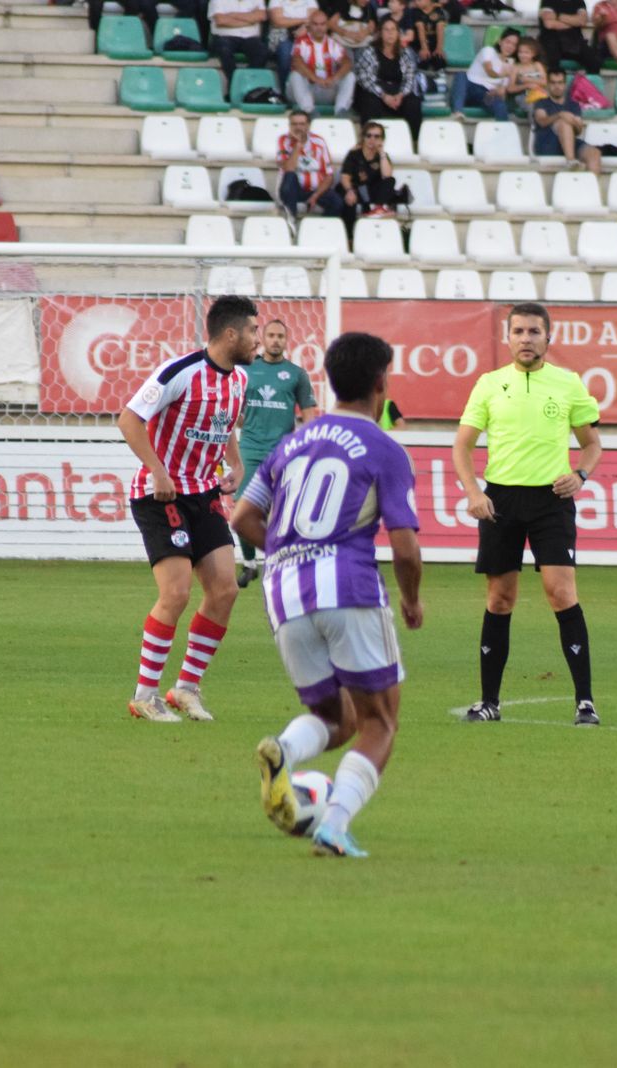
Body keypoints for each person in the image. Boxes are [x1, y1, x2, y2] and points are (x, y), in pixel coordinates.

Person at [235, 332, 423, 860]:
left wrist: (290, 551)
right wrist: (411, 601)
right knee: (378, 722)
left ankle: (285, 750)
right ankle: (335, 826)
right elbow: (406, 548)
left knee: (335, 718)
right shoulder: (385, 448)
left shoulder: (291, 443)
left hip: (283, 592)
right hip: (349, 587)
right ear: (381, 383)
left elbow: (243, 517)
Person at [453, 302, 604, 727]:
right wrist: (473, 491)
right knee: (499, 599)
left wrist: (581, 474)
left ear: (548, 337)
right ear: (508, 337)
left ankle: (585, 702)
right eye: (518, 331)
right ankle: (489, 702)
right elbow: (461, 446)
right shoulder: (489, 384)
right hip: (500, 501)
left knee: (561, 594)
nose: (525, 338)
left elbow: (592, 445)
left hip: (551, 501)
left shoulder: (568, 383)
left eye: (533, 331)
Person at [118, 294, 255, 723]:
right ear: (230, 334)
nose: (257, 339)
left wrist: (234, 461)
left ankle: (186, 689)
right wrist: (158, 470)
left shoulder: (239, 380)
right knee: (175, 593)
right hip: (161, 496)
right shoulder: (179, 372)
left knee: (225, 590)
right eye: (253, 331)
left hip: (205, 494)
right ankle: (145, 694)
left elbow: (223, 423)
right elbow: (128, 418)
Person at [233, 319, 318, 588]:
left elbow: (309, 415)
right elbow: (233, 408)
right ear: (263, 338)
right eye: (271, 335)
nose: (275, 340)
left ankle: (279, 560)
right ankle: (249, 563)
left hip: (282, 452)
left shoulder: (296, 374)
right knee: (242, 507)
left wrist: (305, 444)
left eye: (281, 335)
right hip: (249, 448)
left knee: (281, 511)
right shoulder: (246, 370)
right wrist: (248, 424)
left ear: (286, 339)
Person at [354, 17, 423, 137]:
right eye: (386, 30)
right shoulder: (369, 51)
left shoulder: (405, 52)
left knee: (413, 103)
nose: (390, 33)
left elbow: (409, 77)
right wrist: (384, 96)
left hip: (397, 92)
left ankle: (413, 141)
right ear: (380, 33)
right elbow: (365, 79)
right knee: (370, 102)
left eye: (393, 30)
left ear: (398, 33)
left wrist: (401, 95)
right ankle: (369, 138)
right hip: (375, 91)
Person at [277, 108, 344, 226]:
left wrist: (316, 195)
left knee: (338, 202)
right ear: (289, 125)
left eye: (302, 124)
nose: (298, 128)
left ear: (308, 125)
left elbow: (329, 176)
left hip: (315, 189)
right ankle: (291, 220)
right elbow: (288, 169)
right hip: (293, 189)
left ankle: (321, 228)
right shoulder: (284, 140)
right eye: (294, 124)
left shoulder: (319, 142)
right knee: (290, 177)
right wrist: (298, 146)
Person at [531, 68, 602, 174]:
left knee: (594, 153)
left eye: (560, 83)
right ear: (548, 85)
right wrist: (560, 115)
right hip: (547, 144)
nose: (557, 86)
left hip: (570, 142)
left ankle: (590, 188)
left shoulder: (573, 105)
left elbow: (578, 130)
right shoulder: (541, 103)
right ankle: (571, 161)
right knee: (563, 123)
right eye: (553, 83)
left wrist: (572, 121)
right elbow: (542, 121)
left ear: (564, 84)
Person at [288, 10, 356, 116]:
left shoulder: (332, 44)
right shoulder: (301, 42)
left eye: (322, 24)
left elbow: (347, 63)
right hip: (306, 90)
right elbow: (297, 62)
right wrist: (316, 79)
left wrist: (334, 78)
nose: (319, 28)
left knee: (350, 76)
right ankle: (309, 111)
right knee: (295, 75)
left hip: (326, 89)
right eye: (315, 24)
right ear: (309, 25)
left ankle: (341, 111)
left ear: (327, 25)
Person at [339, 120, 400, 234]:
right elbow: (345, 177)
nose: (372, 139)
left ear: (382, 139)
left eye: (377, 136)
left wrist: (381, 152)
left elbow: (387, 176)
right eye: (369, 136)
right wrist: (349, 190)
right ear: (363, 137)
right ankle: (349, 237)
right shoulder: (354, 154)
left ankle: (378, 208)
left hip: (372, 191)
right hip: (356, 189)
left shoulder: (382, 156)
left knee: (390, 181)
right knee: (349, 200)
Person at [451, 27, 518, 121]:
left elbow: (502, 93)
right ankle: (457, 112)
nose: (510, 47)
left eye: (514, 45)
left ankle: (504, 131)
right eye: (508, 42)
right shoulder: (489, 50)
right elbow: (489, 70)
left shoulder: (510, 65)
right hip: (469, 87)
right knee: (461, 75)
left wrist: (498, 91)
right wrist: (501, 74)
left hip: (485, 94)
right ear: (500, 41)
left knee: (500, 105)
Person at [209, 0, 270, 90]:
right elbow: (221, 20)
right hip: (225, 36)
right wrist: (250, 19)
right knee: (224, 50)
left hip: (250, 38)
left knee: (263, 52)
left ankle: (246, 80)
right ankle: (235, 83)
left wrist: (233, 15)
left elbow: (262, 16)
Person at [539, 0, 601, 75]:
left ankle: (587, 85)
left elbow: (582, 21)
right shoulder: (547, 1)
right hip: (551, 40)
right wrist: (573, 23)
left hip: (574, 41)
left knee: (594, 61)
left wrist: (558, 15)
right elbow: (549, 24)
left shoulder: (579, 2)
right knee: (551, 63)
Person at [269, 0, 319, 92]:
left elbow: (315, 18)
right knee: (286, 53)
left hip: (307, 33)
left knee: (315, 51)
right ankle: (284, 90)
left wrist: (305, 27)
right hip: (282, 35)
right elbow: (278, 21)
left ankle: (310, 91)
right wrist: (304, 20)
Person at [506, 37, 548, 117]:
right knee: (534, 107)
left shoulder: (537, 65)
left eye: (526, 52)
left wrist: (527, 79)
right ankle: (534, 128)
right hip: (524, 97)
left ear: (533, 54)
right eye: (520, 52)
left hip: (540, 94)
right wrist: (526, 86)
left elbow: (544, 82)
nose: (523, 55)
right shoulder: (516, 67)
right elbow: (510, 88)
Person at [402, 0, 448, 71]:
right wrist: (424, 48)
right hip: (419, 46)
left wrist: (439, 48)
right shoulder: (416, 12)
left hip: (434, 45)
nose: (417, 2)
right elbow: (421, 29)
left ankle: (440, 76)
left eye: (419, 0)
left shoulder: (438, 11)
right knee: (424, 59)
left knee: (440, 59)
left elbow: (440, 29)